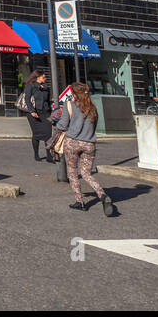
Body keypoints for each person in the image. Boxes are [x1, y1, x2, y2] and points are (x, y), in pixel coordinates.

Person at [55, 81, 115, 215]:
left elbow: (63, 125)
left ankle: (80, 202)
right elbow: (94, 127)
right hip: (89, 144)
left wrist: (55, 124)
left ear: (74, 95)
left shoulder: (69, 105)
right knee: (86, 174)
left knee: (72, 172)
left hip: (73, 143)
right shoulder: (93, 108)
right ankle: (103, 196)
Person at [23, 69, 54, 162]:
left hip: (45, 112)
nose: (45, 79)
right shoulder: (30, 86)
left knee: (48, 134)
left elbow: (48, 100)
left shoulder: (46, 87)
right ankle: (36, 154)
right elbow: (27, 99)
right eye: (43, 77)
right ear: (37, 77)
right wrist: (32, 111)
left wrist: (51, 111)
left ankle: (49, 156)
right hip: (34, 113)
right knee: (36, 134)